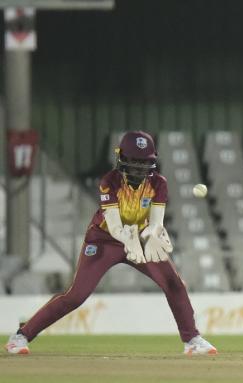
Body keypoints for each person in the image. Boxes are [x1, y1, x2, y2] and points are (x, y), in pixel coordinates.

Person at [5, 131, 217, 356]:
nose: (139, 168)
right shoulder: (110, 181)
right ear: (122, 159)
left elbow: (155, 222)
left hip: (140, 236)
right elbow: (115, 226)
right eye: (134, 162)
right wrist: (130, 239)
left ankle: (192, 340)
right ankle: (21, 335)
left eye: (144, 163)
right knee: (75, 296)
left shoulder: (159, 183)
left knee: (174, 283)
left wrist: (152, 235)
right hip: (104, 239)